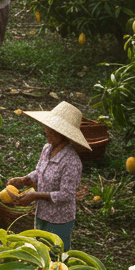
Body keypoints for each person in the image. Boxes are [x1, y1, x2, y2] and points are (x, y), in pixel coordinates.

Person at [8, 101, 86, 252]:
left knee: (56, 255)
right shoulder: (47, 149)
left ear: (62, 134)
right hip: (42, 213)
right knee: (41, 251)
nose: (46, 131)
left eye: (51, 129)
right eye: (47, 127)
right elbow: (40, 171)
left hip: (59, 219)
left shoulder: (72, 161)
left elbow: (67, 195)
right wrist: (24, 180)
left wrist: (36, 196)